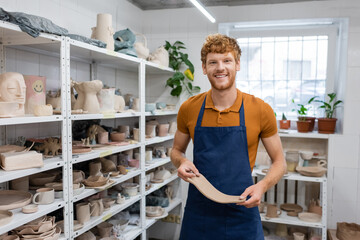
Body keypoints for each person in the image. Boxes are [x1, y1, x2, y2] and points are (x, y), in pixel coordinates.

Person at [170, 33, 287, 239]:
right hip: (200, 213)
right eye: (213, 62)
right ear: (205, 68)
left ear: (237, 64)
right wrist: (181, 161)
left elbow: (280, 162)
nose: (220, 68)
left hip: (242, 211)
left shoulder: (260, 110)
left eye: (227, 60)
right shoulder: (189, 108)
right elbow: (176, 150)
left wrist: (262, 186)